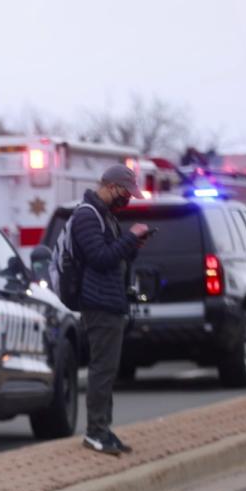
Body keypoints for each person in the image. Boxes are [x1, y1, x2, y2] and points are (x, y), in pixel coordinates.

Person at [72, 164, 152, 456]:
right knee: (102, 370)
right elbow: (100, 258)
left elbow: (113, 254)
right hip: (98, 302)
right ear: (111, 186)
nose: (127, 199)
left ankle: (104, 428)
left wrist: (133, 245)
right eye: (125, 192)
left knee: (109, 369)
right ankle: (95, 432)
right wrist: (129, 238)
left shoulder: (104, 215)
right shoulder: (86, 216)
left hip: (111, 301)